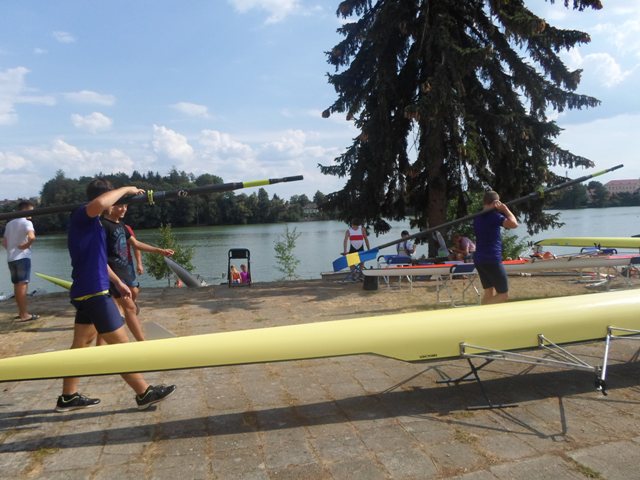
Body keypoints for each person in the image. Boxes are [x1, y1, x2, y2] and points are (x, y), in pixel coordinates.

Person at [57, 178, 176, 412]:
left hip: (89, 290)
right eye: (116, 200)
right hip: (94, 292)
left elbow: (100, 261)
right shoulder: (83, 215)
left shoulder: (94, 225)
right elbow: (100, 203)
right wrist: (127, 189)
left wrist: (118, 282)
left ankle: (68, 397)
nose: (119, 204)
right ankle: (144, 393)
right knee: (120, 346)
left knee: (80, 345)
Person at [101, 203, 174, 341]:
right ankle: (142, 343)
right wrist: (115, 280)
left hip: (124, 270)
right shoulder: (103, 226)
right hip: (113, 274)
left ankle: (104, 344)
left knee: (126, 306)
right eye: (120, 206)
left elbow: (136, 244)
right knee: (130, 308)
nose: (124, 209)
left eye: (126, 206)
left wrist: (160, 251)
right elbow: (99, 256)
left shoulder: (121, 225)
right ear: (110, 206)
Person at [473, 191, 518, 305]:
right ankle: (479, 312)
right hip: (492, 259)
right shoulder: (494, 216)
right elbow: (514, 224)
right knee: (503, 294)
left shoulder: (477, 217)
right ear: (496, 203)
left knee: (489, 292)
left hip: (479, 259)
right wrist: (505, 209)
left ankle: (485, 315)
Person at [2, 200, 39, 322]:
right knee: (22, 285)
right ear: (26, 210)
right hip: (22, 257)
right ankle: (24, 314)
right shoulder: (27, 222)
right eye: (31, 211)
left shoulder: (9, 224)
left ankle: (21, 312)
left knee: (17, 285)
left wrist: (11, 250)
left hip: (11, 259)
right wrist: (26, 245)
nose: (32, 214)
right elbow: (32, 237)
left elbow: (4, 242)